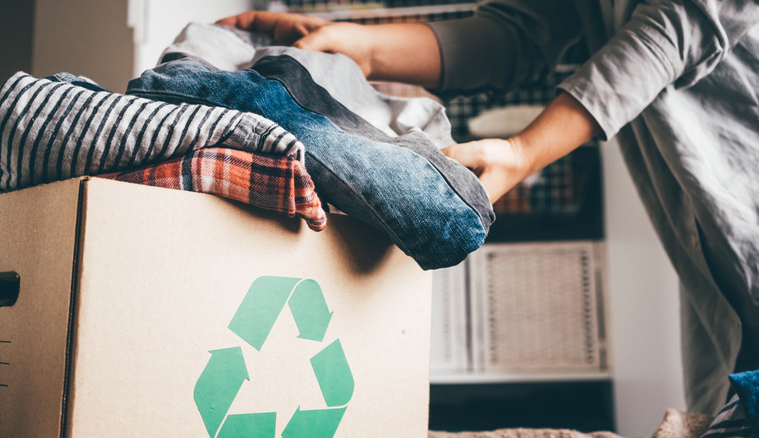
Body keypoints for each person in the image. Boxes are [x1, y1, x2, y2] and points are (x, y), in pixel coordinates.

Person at [217, 0, 759, 416]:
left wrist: (526, 151)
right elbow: (522, 32)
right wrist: (367, 48)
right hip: (713, 281)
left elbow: (681, 24)